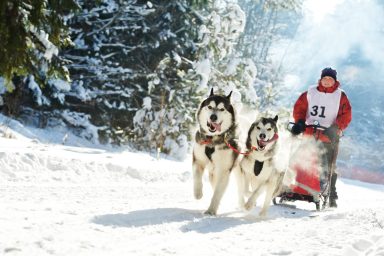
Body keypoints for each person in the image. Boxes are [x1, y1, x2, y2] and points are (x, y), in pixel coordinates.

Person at [290, 67, 352, 208]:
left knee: (327, 166)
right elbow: (300, 108)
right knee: (300, 161)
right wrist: (300, 122)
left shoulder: (340, 96)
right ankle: (299, 189)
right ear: (321, 79)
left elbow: (346, 115)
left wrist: (336, 127)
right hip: (310, 133)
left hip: (328, 135)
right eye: (325, 79)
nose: (327, 81)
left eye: (330, 79)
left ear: (335, 81)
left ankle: (331, 194)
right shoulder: (311, 92)